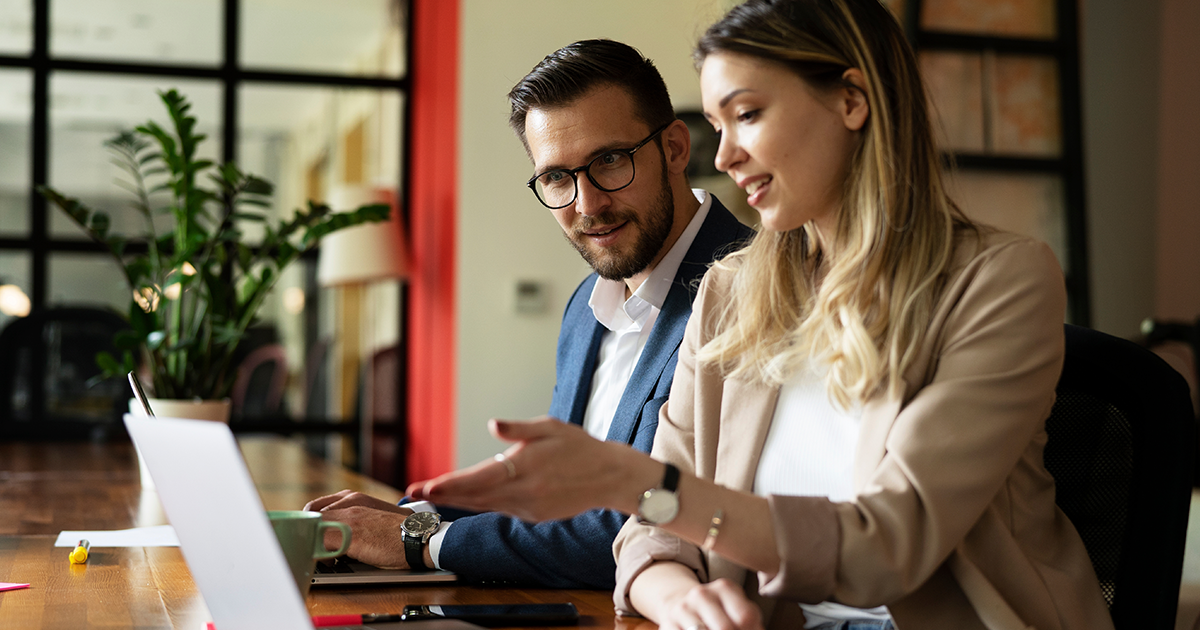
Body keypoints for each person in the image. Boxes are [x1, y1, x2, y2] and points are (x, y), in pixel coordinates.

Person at [405, 1, 1113, 628]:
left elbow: (886, 548)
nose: (725, 154)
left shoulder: (1000, 280)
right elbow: (653, 533)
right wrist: (672, 590)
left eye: (746, 114)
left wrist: (634, 485)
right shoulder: (730, 290)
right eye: (717, 124)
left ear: (852, 100)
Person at [304, 39, 754, 589]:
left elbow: (652, 521)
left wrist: (418, 542)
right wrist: (413, 519)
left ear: (676, 148)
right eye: (557, 178)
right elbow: (559, 507)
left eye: (610, 160)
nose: (587, 204)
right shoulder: (584, 309)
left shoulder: (750, 290)